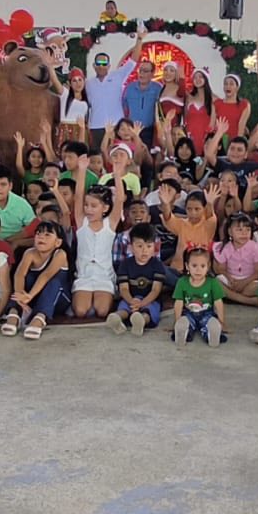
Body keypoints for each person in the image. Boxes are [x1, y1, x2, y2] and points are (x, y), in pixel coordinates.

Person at [69, 160, 126, 319]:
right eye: (87, 205)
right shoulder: (82, 222)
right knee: (81, 311)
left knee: (102, 312)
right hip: (84, 276)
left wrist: (117, 175)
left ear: (105, 208)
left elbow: (120, 199)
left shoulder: (110, 224)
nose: (88, 209)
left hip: (104, 276)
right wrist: (82, 171)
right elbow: (78, 196)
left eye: (94, 206)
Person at [86, 27, 147, 149]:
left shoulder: (117, 76)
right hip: (96, 126)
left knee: (117, 155)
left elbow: (133, 61)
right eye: (98, 63)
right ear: (93, 65)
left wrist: (139, 39)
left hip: (116, 126)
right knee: (99, 158)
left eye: (104, 64)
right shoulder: (88, 83)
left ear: (109, 66)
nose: (101, 66)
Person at [111, 223, 167, 336]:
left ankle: (141, 321)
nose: (144, 250)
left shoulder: (157, 265)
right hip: (130, 298)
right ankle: (117, 318)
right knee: (124, 307)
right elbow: (124, 288)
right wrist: (132, 301)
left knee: (150, 310)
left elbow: (156, 289)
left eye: (149, 246)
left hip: (150, 299)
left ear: (154, 247)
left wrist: (143, 303)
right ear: (131, 247)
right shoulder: (125, 264)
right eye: (140, 246)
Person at [172, 246, 227, 346]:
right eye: (194, 266)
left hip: (207, 313)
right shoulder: (182, 282)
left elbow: (218, 303)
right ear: (187, 266)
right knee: (186, 321)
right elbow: (178, 303)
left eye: (202, 266)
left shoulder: (213, 282)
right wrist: (176, 320)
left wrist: (221, 321)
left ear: (208, 266)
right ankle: (182, 330)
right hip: (188, 312)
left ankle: (212, 332)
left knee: (210, 321)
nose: (198, 270)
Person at [213, 213, 258, 305]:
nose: (244, 233)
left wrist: (243, 282)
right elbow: (221, 269)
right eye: (239, 230)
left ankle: (231, 296)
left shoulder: (256, 247)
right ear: (230, 232)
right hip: (231, 281)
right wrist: (229, 278)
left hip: (249, 281)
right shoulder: (225, 247)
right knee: (215, 282)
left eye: (248, 230)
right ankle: (246, 300)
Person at [123, 58, 162, 148]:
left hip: (150, 131)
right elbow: (124, 108)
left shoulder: (158, 88)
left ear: (152, 74)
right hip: (131, 131)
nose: (142, 73)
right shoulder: (129, 88)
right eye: (140, 70)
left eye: (146, 71)